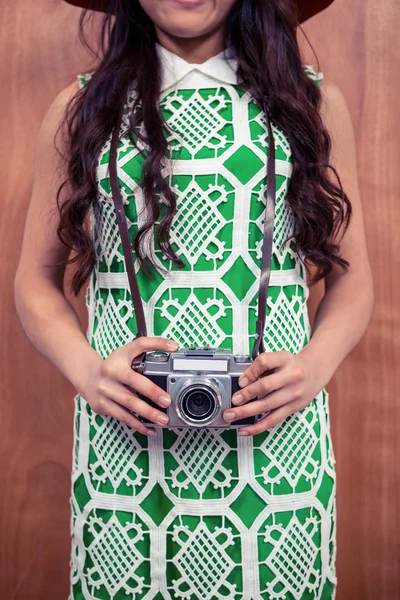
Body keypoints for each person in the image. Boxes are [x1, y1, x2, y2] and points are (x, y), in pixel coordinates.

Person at [14, 0, 374, 598]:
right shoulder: (82, 109)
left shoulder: (310, 103)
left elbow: (354, 277)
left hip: (276, 454)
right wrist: (88, 373)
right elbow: (34, 278)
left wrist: (314, 367)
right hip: (126, 451)